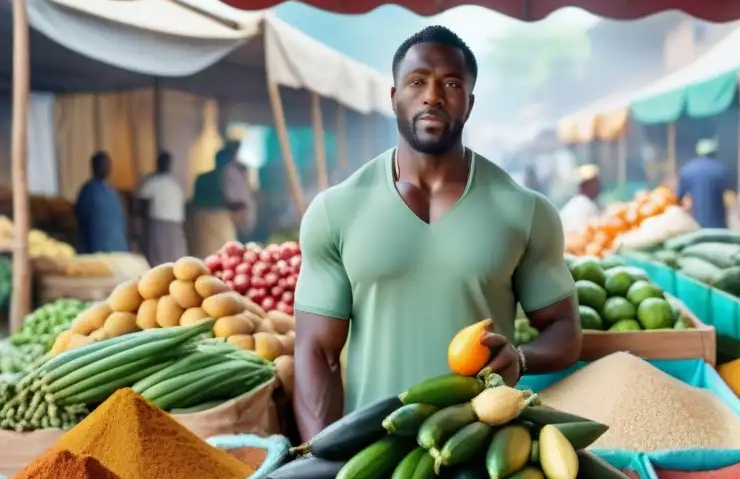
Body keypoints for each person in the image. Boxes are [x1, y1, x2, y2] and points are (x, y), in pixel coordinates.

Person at [294, 26, 583, 441]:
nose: (433, 95)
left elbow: (565, 332)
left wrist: (520, 357)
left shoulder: (524, 209)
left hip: (482, 449)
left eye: (451, 83)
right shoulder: (336, 209)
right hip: (373, 452)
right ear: (394, 97)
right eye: (417, 82)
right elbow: (315, 351)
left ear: (469, 102)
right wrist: (321, 458)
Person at [187, 141, 255, 258]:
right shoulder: (226, 176)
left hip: (201, 219)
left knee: (207, 253)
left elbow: (193, 201)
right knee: (223, 254)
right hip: (218, 219)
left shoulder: (203, 177)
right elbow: (231, 200)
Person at [135, 150, 187, 265]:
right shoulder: (176, 184)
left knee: (157, 259)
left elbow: (140, 206)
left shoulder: (152, 182)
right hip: (175, 226)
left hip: (158, 225)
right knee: (173, 258)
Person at [74, 151, 130, 254]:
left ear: (92, 168)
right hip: (121, 251)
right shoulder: (115, 195)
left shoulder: (88, 191)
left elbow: (78, 217)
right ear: (109, 171)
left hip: (97, 252)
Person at [677, 138, 732, 229]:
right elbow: (731, 195)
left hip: (696, 225)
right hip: (718, 225)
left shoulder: (688, 169)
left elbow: (679, 198)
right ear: (714, 152)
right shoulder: (722, 169)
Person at [559, 164, 602, 234]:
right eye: (595, 183)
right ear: (584, 185)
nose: (598, 186)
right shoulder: (585, 205)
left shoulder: (573, 204)